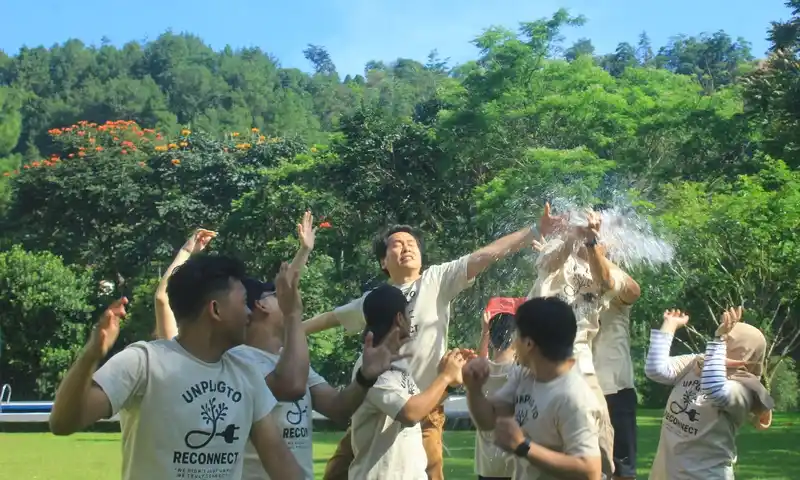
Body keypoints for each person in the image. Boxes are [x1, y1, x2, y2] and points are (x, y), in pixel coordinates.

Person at [308, 212, 561, 480]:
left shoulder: (435, 280)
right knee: (336, 472)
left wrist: (534, 230)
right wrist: (289, 329)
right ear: (383, 261)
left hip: (424, 406)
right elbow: (331, 318)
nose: (406, 247)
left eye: (412, 243)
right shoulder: (375, 300)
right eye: (397, 243)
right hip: (377, 405)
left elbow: (484, 255)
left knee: (429, 473)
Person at [154, 214, 408, 480]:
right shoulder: (238, 362)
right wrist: (185, 253)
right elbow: (291, 385)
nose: (286, 297)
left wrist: (365, 377)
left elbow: (338, 408)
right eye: (275, 295)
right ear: (261, 306)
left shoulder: (290, 361)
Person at [49, 254, 303, 480]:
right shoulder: (143, 363)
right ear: (215, 310)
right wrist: (90, 356)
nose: (250, 313)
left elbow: (280, 460)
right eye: (244, 302)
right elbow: (63, 424)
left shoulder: (246, 373)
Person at [529, 208, 629, 477]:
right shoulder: (558, 248)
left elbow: (606, 281)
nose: (593, 233)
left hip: (579, 358)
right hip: (540, 357)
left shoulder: (610, 268)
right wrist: (573, 237)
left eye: (601, 233)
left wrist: (592, 242)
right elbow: (548, 264)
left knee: (600, 436)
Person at [464, 296, 603, 480]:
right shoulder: (524, 376)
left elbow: (590, 469)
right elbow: (488, 421)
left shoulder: (574, 396)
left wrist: (523, 446)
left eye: (517, 337)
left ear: (529, 344)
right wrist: (474, 389)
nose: (513, 343)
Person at [349, 284, 467, 480]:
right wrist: (444, 376)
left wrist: (448, 383)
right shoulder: (371, 367)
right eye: (407, 313)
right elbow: (410, 414)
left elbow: (419, 409)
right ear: (399, 318)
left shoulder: (397, 362)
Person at [644, 307, 775, 479]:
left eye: (728, 339)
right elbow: (656, 370)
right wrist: (670, 325)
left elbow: (714, 388)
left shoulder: (744, 390)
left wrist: (719, 339)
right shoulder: (698, 363)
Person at [590, 244, 641, 480]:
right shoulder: (576, 279)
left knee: (622, 471)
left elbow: (633, 290)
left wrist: (595, 250)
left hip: (615, 389)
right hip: (583, 387)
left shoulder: (616, 277)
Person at [474, 300, 521, 480]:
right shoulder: (520, 375)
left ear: (492, 342)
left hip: (486, 467)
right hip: (512, 466)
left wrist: (485, 331)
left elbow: (481, 358)